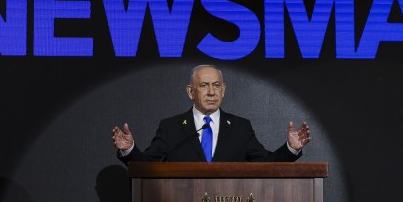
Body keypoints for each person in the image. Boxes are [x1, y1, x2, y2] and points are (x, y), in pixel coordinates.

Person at [111, 64, 310, 162]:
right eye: (204, 85)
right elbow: (148, 165)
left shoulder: (241, 127)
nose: (211, 92)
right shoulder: (171, 127)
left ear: (223, 90)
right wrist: (129, 150)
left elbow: (267, 164)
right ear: (191, 91)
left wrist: (290, 149)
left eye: (216, 85)